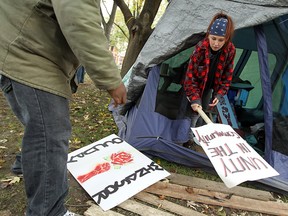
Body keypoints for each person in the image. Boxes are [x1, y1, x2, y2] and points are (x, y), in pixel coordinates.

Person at [0, 1, 126, 216]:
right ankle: (49, 212)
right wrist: (111, 81)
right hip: (31, 56)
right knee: (51, 135)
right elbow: (80, 23)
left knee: (40, 130)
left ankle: (26, 164)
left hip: (20, 47)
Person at [183, 12, 236, 142]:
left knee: (205, 110)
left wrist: (219, 94)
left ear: (227, 39)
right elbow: (190, 78)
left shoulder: (230, 50)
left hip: (209, 87)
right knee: (194, 111)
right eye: (213, 38)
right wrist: (195, 99)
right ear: (208, 35)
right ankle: (186, 141)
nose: (216, 43)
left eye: (220, 40)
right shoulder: (200, 48)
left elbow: (227, 76)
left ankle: (200, 140)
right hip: (194, 85)